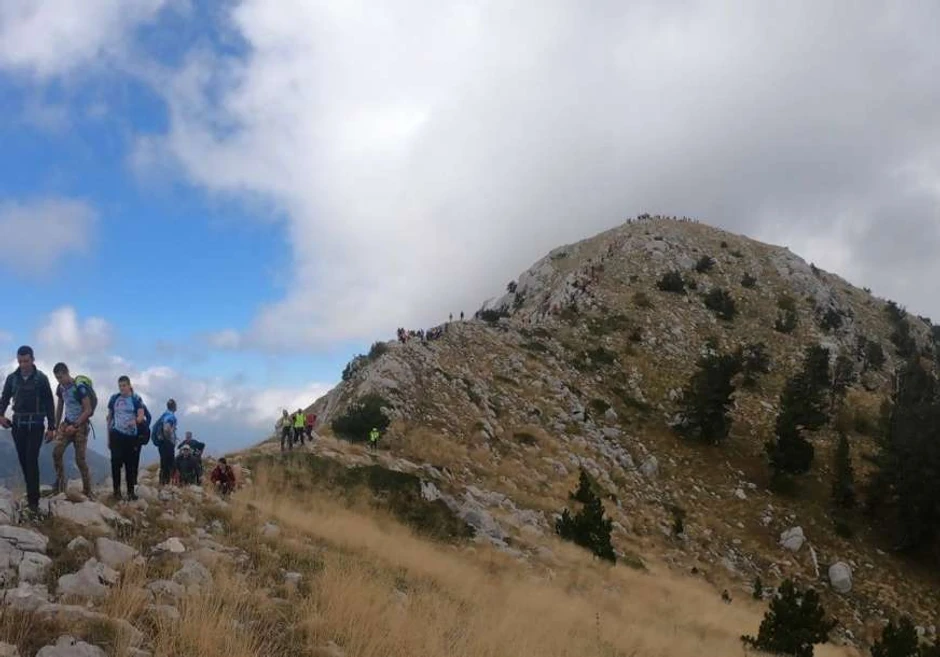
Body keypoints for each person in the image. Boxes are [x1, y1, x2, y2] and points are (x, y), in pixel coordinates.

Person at [0, 346, 56, 516]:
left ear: (32, 359)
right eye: (20, 361)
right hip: (18, 426)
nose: (23, 365)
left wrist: (52, 427)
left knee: (31, 460)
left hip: (36, 425)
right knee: (24, 461)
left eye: (26, 361)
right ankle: (32, 495)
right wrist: (0, 415)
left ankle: (33, 502)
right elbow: (4, 398)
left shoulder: (41, 378)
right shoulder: (12, 378)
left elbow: (49, 402)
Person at [51, 363, 94, 498]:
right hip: (67, 424)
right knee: (56, 453)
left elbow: (88, 410)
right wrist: (56, 427)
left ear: (67, 373)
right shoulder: (61, 388)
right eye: (57, 378)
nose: (59, 380)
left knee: (80, 460)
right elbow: (60, 407)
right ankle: (60, 484)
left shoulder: (79, 387)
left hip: (80, 426)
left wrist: (75, 426)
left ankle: (87, 490)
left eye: (61, 377)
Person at [106, 376, 147, 501]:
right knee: (115, 463)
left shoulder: (136, 399)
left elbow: (141, 415)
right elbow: (109, 418)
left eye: (124, 385)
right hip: (116, 434)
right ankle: (116, 492)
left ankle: (130, 492)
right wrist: (108, 437)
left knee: (130, 465)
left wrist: (135, 421)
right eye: (120, 386)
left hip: (130, 436)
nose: (122, 388)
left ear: (129, 385)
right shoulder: (114, 398)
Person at [152, 399, 179, 486]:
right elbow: (167, 428)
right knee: (169, 463)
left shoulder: (164, 415)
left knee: (163, 463)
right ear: (174, 407)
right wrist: (169, 440)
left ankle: (162, 483)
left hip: (161, 442)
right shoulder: (171, 416)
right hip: (167, 442)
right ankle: (167, 483)